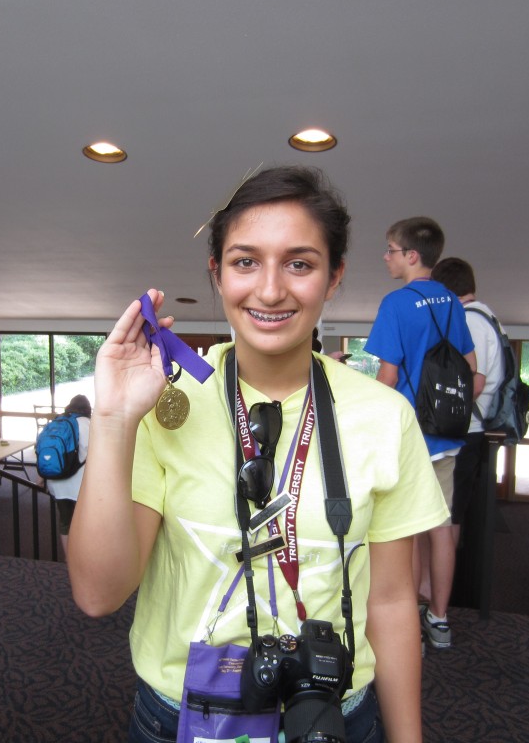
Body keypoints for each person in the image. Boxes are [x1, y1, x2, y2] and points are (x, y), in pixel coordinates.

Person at [68, 166, 449, 742]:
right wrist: (116, 418)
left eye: (300, 263)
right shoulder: (166, 402)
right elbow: (99, 594)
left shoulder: (384, 415)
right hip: (184, 715)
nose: (271, 290)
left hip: (334, 714)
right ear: (217, 274)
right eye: (246, 261)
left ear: (334, 276)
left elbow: (393, 602)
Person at [364, 218, 475, 651]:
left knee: (406, 531)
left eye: (391, 249)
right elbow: (469, 366)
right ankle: (441, 619)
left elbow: (387, 378)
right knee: (442, 530)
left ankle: (408, 616)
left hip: (409, 437)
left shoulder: (395, 303)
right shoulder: (452, 301)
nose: (386, 256)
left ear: (412, 256)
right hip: (447, 436)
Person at [430, 258, 504, 547]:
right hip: (470, 428)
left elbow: (473, 383)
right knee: (452, 513)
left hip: (464, 430)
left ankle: (439, 589)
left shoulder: (470, 319)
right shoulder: (486, 317)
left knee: (448, 517)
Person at [45, 394, 91, 555]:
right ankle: (83, 556)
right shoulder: (87, 424)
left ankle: (68, 557)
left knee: (65, 521)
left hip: (56, 482)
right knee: (84, 520)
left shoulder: (56, 422)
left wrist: (41, 477)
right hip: (79, 485)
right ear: (87, 409)